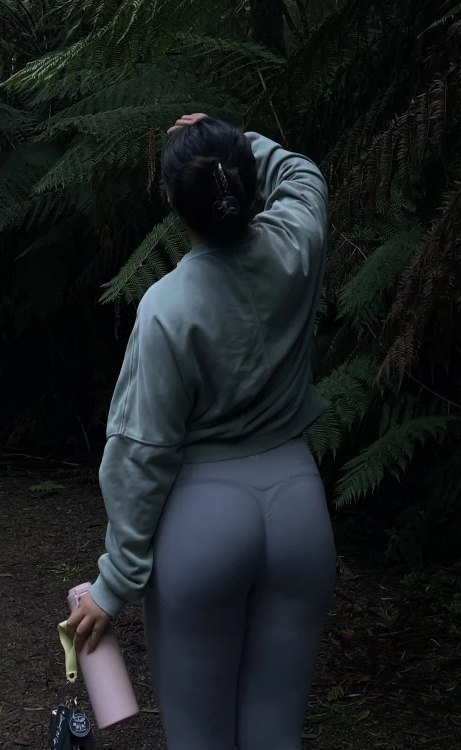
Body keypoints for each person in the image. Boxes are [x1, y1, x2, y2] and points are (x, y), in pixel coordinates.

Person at [64, 113, 337, 750]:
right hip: (298, 508)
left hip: (204, 522)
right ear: (244, 183)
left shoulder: (167, 306)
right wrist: (231, 135)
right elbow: (303, 172)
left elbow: (140, 456)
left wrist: (113, 584)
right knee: (275, 737)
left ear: (170, 201)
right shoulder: (297, 241)